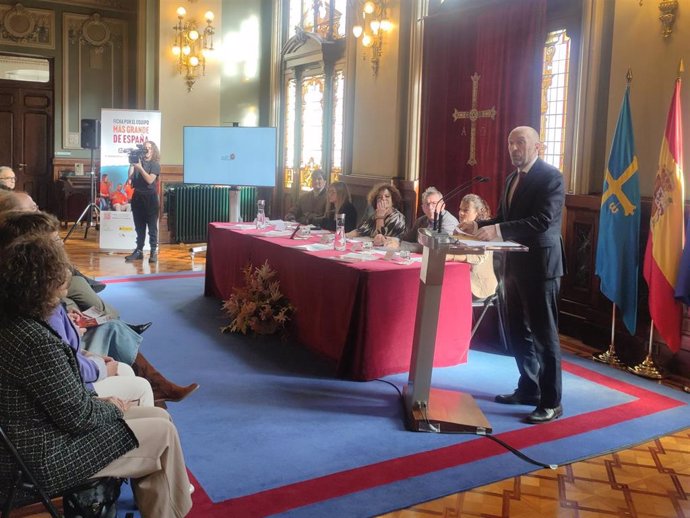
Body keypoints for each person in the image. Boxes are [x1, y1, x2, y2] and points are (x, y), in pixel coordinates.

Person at [0, 233, 192, 517]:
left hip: (33, 440)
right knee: (163, 432)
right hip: (42, 459)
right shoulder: (35, 342)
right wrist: (111, 406)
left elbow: (66, 403)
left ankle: (162, 508)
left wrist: (104, 406)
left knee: (160, 418)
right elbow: (78, 417)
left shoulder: (17, 321)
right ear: (48, 284)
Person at [0, 210, 199, 406]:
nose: (61, 246)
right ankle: (155, 398)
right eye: (56, 242)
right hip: (74, 387)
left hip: (73, 364)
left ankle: (156, 396)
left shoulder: (28, 297)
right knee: (114, 328)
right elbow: (63, 367)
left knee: (115, 333)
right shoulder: (38, 314)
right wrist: (99, 368)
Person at [459, 126, 566, 424]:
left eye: (521, 142)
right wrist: (480, 226)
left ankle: (552, 401)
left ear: (538, 147)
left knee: (544, 334)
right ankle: (529, 387)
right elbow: (507, 219)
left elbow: (543, 221)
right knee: (518, 331)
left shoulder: (551, 177)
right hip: (513, 266)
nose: (514, 148)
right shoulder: (511, 179)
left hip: (541, 266)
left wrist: (499, 229)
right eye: (510, 143)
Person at [448, 194, 498, 300]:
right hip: (460, 277)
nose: (461, 213)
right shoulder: (460, 228)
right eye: (460, 209)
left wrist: (451, 256)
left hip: (477, 285)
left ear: (477, 212)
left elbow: (478, 257)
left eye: (466, 210)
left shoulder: (485, 231)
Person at [382, 186, 458, 250]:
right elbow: (408, 238)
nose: (430, 207)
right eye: (427, 204)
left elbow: (435, 246)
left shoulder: (449, 222)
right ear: (422, 208)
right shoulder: (421, 221)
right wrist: (388, 239)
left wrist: (400, 245)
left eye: (434, 203)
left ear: (443, 206)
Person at [126, 140, 161, 263]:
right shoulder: (137, 163)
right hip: (137, 198)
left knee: (152, 228)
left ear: (153, 150)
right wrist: (132, 163)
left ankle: (153, 251)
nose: (147, 150)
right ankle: (139, 251)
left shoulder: (155, 164)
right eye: (145, 148)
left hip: (150, 199)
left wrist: (140, 168)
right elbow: (130, 177)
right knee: (139, 227)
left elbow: (150, 180)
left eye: (149, 148)